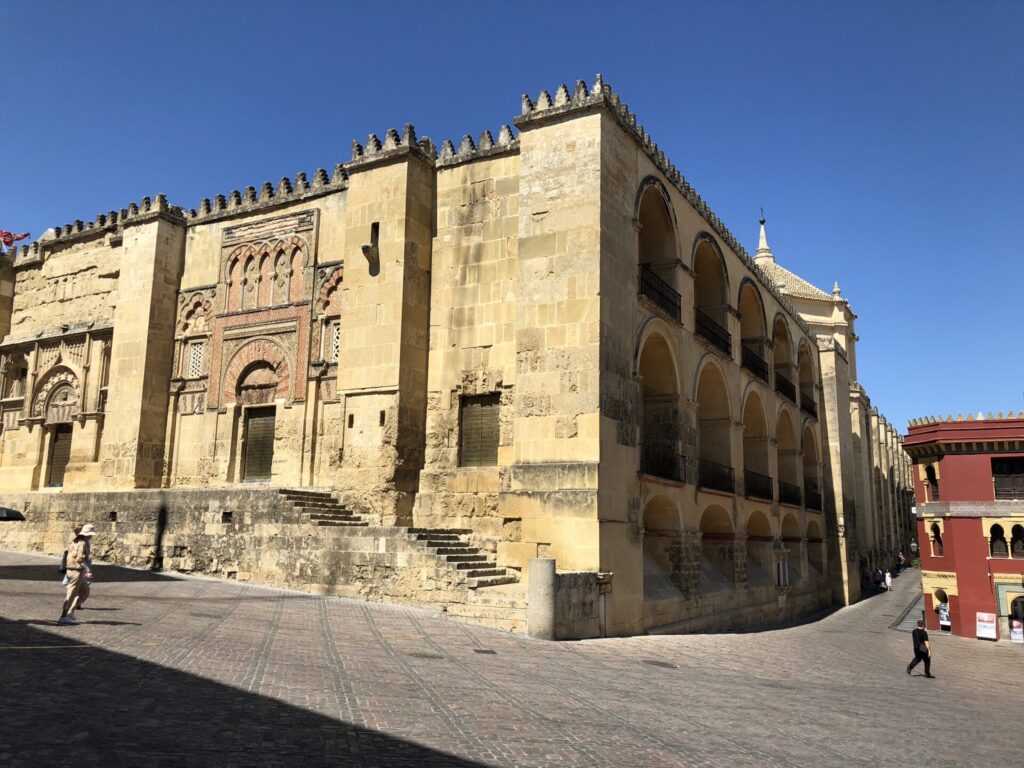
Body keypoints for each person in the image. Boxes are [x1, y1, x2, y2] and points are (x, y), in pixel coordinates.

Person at [58, 523, 95, 625]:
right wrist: (87, 571)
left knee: (85, 592)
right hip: (76, 571)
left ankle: (70, 612)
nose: (92, 536)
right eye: (91, 534)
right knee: (71, 594)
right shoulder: (82, 543)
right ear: (87, 534)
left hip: (73, 570)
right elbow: (80, 559)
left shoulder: (75, 541)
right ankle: (63, 616)